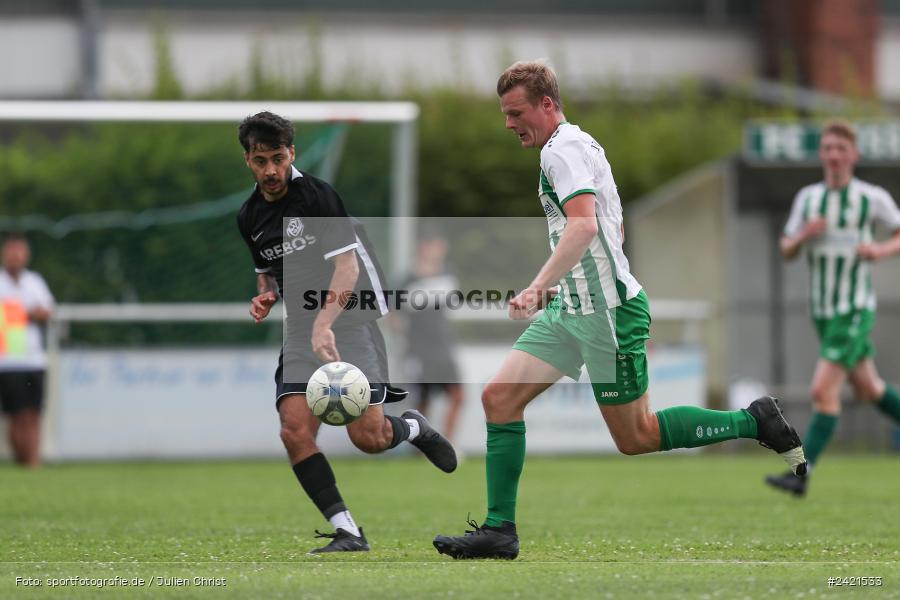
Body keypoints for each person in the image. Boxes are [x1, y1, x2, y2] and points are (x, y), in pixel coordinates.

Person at [432, 60, 807, 560]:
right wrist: (563, 287)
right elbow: (611, 224)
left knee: (636, 436)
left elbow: (584, 226)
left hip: (606, 314)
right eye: (504, 113)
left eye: (516, 112)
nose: (508, 124)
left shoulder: (561, 152)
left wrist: (539, 284)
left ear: (547, 104)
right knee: (499, 399)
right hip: (574, 309)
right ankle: (500, 531)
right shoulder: (580, 143)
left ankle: (752, 419)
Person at [236, 111, 457, 553]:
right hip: (302, 327)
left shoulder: (318, 197)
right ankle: (348, 531)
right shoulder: (249, 216)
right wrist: (266, 295)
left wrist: (324, 324)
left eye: (279, 158)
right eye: (261, 161)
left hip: (351, 318)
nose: (272, 170)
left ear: (291, 153)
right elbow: (271, 275)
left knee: (369, 438)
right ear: (248, 160)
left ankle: (412, 428)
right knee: (294, 431)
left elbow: (347, 267)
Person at [766, 120, 900, 497]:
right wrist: (804, 236)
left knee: (822, 390)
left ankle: (801, 474)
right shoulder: (809, 199)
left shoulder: (870, 198)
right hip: (823, 311)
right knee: (871, 389)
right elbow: (786, 249)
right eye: (828, 148)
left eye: (842, 149)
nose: (835, 155)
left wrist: (879, 250)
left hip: (853, 308)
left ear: (854, 155)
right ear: (822, 154)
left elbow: (898, 234)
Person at [400, 231, 465, 446]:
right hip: (419, 349)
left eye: (437, 245)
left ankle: (448, 444)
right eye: (429, 245)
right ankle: (422, 450)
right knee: (423, 402)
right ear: (421, 248)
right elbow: (394, 314)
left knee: (458, 396)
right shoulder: (408, 279)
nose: (434, 250)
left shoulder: (448, 274)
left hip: (443, 347)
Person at [0, 234, 54, 468]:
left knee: (33, 414)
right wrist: (24, 313)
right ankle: (24, 461)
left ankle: (33, 461)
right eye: (11, 252)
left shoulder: (35, 281)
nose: (15, 257)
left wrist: (19, 313)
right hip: (7, 359)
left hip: (33, 358)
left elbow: (46, 312)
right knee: (17, 415)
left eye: (19, 252)